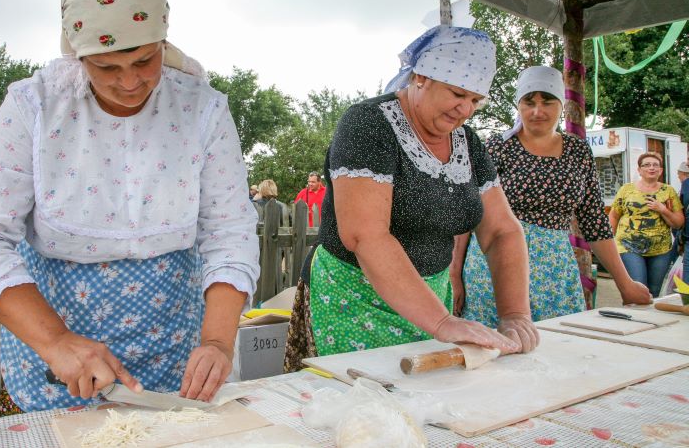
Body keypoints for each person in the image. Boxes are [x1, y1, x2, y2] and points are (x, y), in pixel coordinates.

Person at [0, 0, 259, 413]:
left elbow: (229, 232)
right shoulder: (34, 107)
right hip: (54, 360)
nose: (130, 82)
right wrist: (55, 341)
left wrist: (217, 341)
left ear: (163, 43)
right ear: (78, 54)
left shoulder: (202, 111)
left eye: (145, 61)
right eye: (107, 66)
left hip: (176, 345)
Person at [284, 26, 539, 372]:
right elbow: (365, 234)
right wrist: (442, 322)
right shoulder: (367, 124)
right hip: (355, 300)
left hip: (432, 302)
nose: (465, 109)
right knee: (365, 408)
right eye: (457, 94)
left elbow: (501, 231)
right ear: (421, 77)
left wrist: (515, 314)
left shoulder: (468, 142)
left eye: (476, 101)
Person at [452, 66, 651, 326]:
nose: (537, 111)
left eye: (547, 102)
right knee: (497, 350)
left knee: (558, 349)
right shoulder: (496, 147)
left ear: (561, 105)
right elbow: (467, 213)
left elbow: (594, 220)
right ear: (518, 105)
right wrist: (455, 274)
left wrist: (625, 284)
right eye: (528, 102)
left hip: (556, 271)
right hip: (494, 266)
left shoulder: (577, 150)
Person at [609, 152, 685, 296]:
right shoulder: (627, 190)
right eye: (647, 165)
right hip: (629, 246)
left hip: (660, 250)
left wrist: (662, 209)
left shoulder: (668, 191)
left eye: (655, 165)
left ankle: (649, 318)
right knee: (639, 287)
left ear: (660, 170)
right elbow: (614, 215)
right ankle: (635, 315)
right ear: (639, 170)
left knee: (654, 291)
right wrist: (609, 241)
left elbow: (679, 223)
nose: (651, 168)